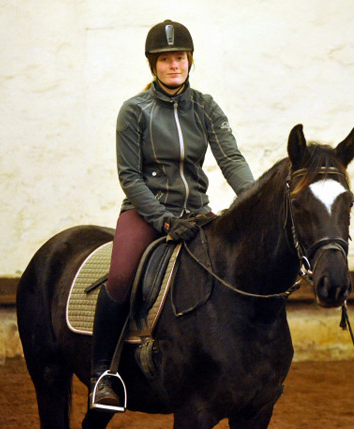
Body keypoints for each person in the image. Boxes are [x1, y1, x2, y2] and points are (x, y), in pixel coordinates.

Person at [90, 19, 255, 409]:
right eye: (165, 60)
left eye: (179, 58)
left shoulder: (205, 107)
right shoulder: (134, 111)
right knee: (120, 277)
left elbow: (230, 158)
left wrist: (252, 200)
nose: (174, 66)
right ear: (153, 65)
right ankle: (103, 374)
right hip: (146, 214)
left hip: (197, 213)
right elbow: (129, 176)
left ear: (190, 60)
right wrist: (163, 219)